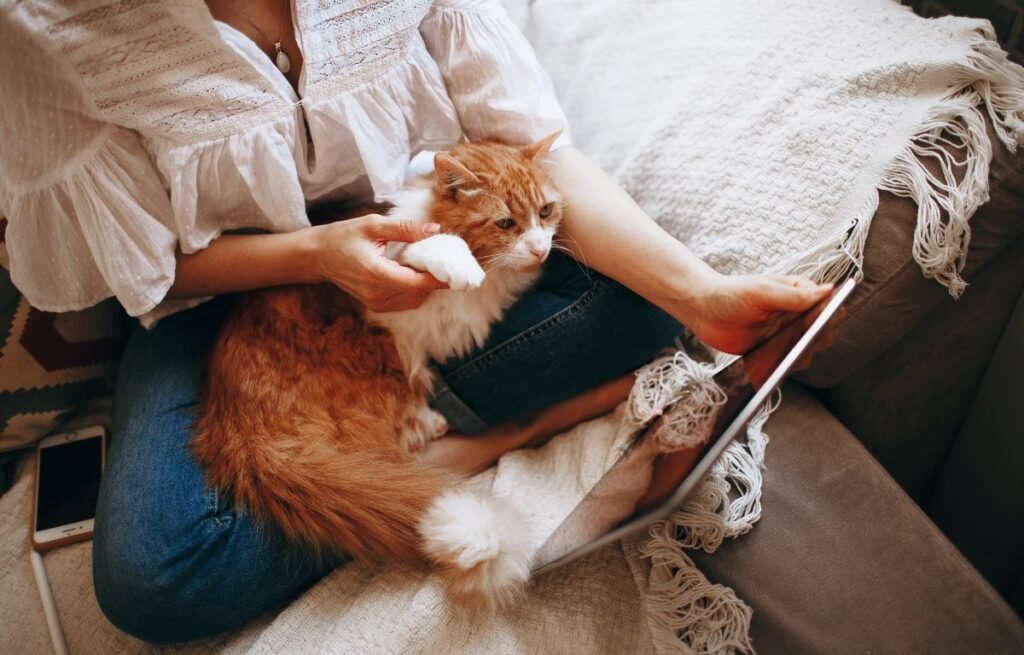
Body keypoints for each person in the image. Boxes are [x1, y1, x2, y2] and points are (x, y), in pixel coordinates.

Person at [0, 0, 831, 643]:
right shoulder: (46, 25)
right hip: (218, 302)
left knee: (646, 303)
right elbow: (145, 264)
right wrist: (318, 253)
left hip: (429, 252)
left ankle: (420, 441)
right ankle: (483, 442)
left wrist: (702, 295)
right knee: (153, 580)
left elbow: (534, 149)